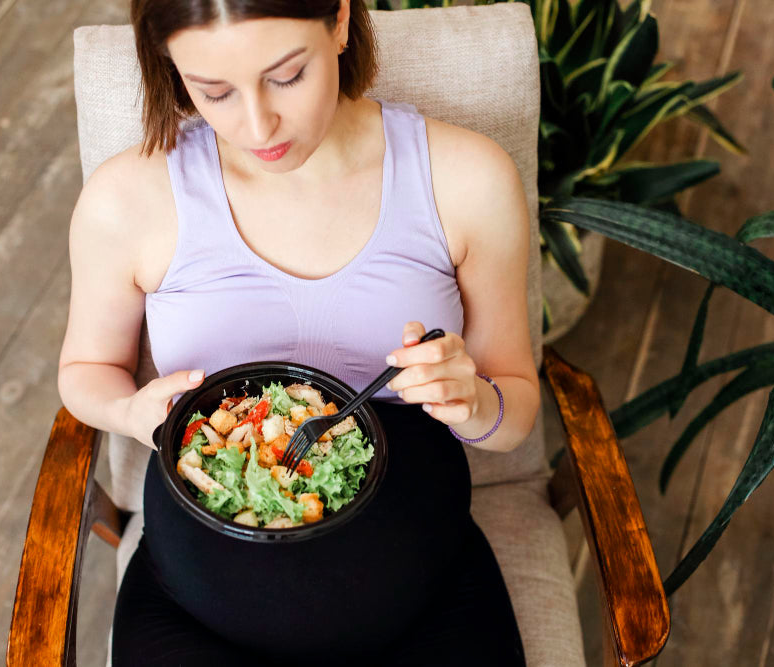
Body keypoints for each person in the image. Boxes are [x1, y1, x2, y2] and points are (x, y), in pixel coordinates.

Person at [57, 0, 539, 664]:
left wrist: (477, 401)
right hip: (195, 613)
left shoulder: (468, 178)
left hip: (426, 597)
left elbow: (515, 411)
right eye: (214, 91)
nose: (258, 125)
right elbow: (85, 369)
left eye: (287, 76)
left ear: (340, 20)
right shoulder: (127, 199)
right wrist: (129, 410)